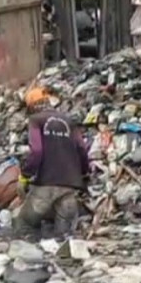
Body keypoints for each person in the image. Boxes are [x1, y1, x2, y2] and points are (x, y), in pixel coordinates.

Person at [15, 86, 90, 237]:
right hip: (70, 185)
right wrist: (83, 173)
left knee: (23, 225)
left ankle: (31, 259)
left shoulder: (36, 120)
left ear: (31, 106)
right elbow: (82, 148)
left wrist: (25, 175)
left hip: (46, 185)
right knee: (64, 236)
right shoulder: (68, 120)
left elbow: (37, 151)